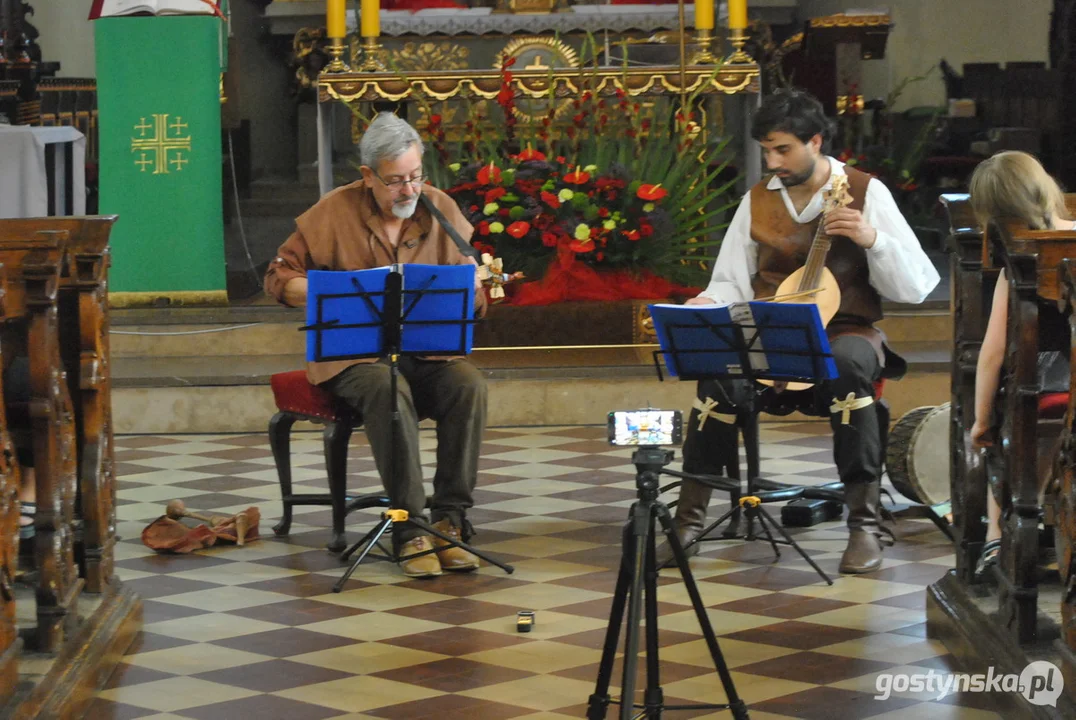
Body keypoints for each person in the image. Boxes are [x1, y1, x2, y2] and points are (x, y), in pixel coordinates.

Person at [658, 89, 940, 574]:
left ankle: (864, 525)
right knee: (717, 380)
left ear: (815, 141)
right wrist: (704, 303)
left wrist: (872, 239)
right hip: (771, 326)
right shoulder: (757, 200)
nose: (772, 161)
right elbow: (729, 279)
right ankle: (688, 523)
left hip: (846, 328)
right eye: (766, 150)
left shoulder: (865, 191)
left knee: (850, 370)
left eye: (783, 149)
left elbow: (915, 286)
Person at [265, 112, 488, 579]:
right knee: (387, 388)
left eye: (415, 177)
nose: (409, 191)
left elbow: (477, 298)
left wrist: (475, 290)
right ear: (367, 176)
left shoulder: (440, 209)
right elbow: (278, 278)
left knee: (467, 383)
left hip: (424, 351)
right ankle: (410, 530)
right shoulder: (332, 212)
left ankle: (451, 519)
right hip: (355, 355)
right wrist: (328, 289)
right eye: (395, 182)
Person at [967, 150, 1074, 576]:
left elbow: (992, 353)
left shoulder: (1018, 263)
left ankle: (997, 538)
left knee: (1008, 418)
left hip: (1046, 383)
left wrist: (980, 422)